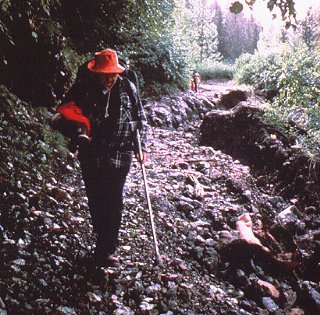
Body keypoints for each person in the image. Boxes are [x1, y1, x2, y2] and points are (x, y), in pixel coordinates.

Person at [50, 48, 148, 267]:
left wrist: (143, 147)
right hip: (91, 152)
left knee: (113, 197)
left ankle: (107, 247)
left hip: (120, 152)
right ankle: (101, 234)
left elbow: (141, 117)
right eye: (106, 74)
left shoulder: (128, 88)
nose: (110, 77)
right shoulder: (83, 88)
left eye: (113, 73)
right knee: (95, 197)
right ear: (96, 73)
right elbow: (64, 111)